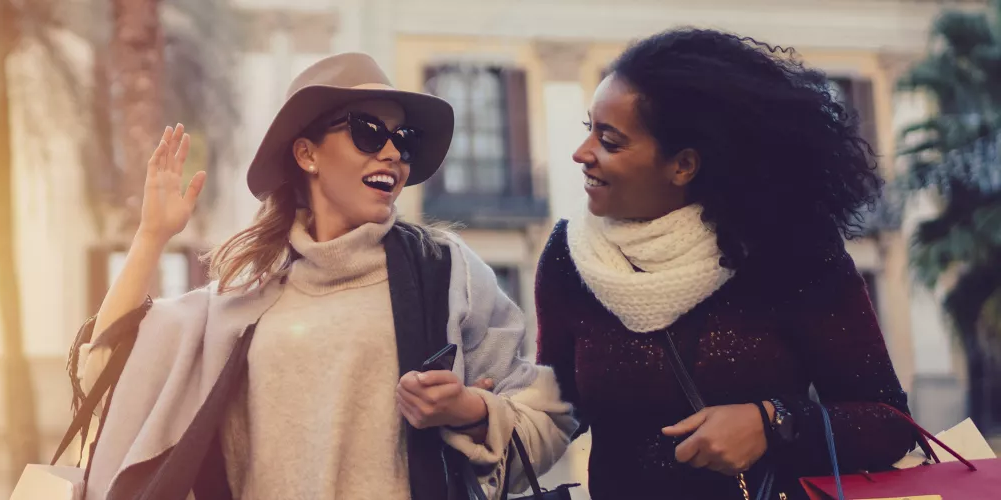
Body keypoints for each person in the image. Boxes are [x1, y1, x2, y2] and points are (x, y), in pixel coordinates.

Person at [66, 52, 575, 500]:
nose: (393, 152)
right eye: (368, 132)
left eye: (405, 138)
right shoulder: (242, 298)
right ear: (307, 154)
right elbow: (107, 372)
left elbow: (549, 421)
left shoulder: (446, 273)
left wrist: (469, 410)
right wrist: (150, 238)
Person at [535, 28, 916, 500]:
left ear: (683, 166)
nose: (582, 153)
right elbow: (557, 409)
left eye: (610, 141)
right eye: (588, 129)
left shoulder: (790, 250)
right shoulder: (569, 255)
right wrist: (480, 414)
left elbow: (890, 422)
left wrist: (772, 421)